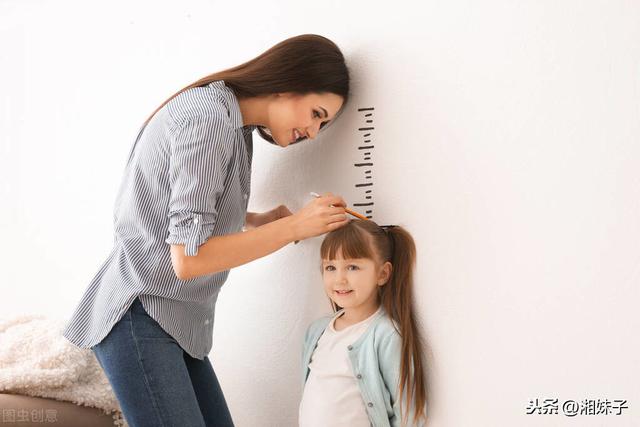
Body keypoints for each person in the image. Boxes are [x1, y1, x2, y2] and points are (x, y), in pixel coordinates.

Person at [62, 34, 350, 427]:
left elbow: (182, 203)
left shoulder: (232, 124)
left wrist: (258, 220)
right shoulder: (210, 118)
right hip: (141, 310)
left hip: (174, 319)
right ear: (287, 85)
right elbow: (189, 259)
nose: (314, 132)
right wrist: (296, 226)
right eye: (317, 114)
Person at [299, 220, 427, 427]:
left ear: (382, 274)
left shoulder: (385, 335)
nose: (339, 279)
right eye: (330, 267)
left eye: (352, 267)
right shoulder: (316, 331)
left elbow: (408, 413)